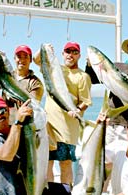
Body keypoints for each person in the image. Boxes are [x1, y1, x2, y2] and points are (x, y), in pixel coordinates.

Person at [34, 42, 92, 187]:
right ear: (62, 54)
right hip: (48, 125)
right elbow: (36, 60)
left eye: (74, 52)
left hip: (68, 128)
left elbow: (85, 101)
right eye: (67, 51)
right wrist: (44, 48)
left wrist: (78, 111)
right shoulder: (54, 68)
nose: (70, 55)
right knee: (47, 162)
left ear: (79, 55)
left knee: (65, 163)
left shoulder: (83, 76)